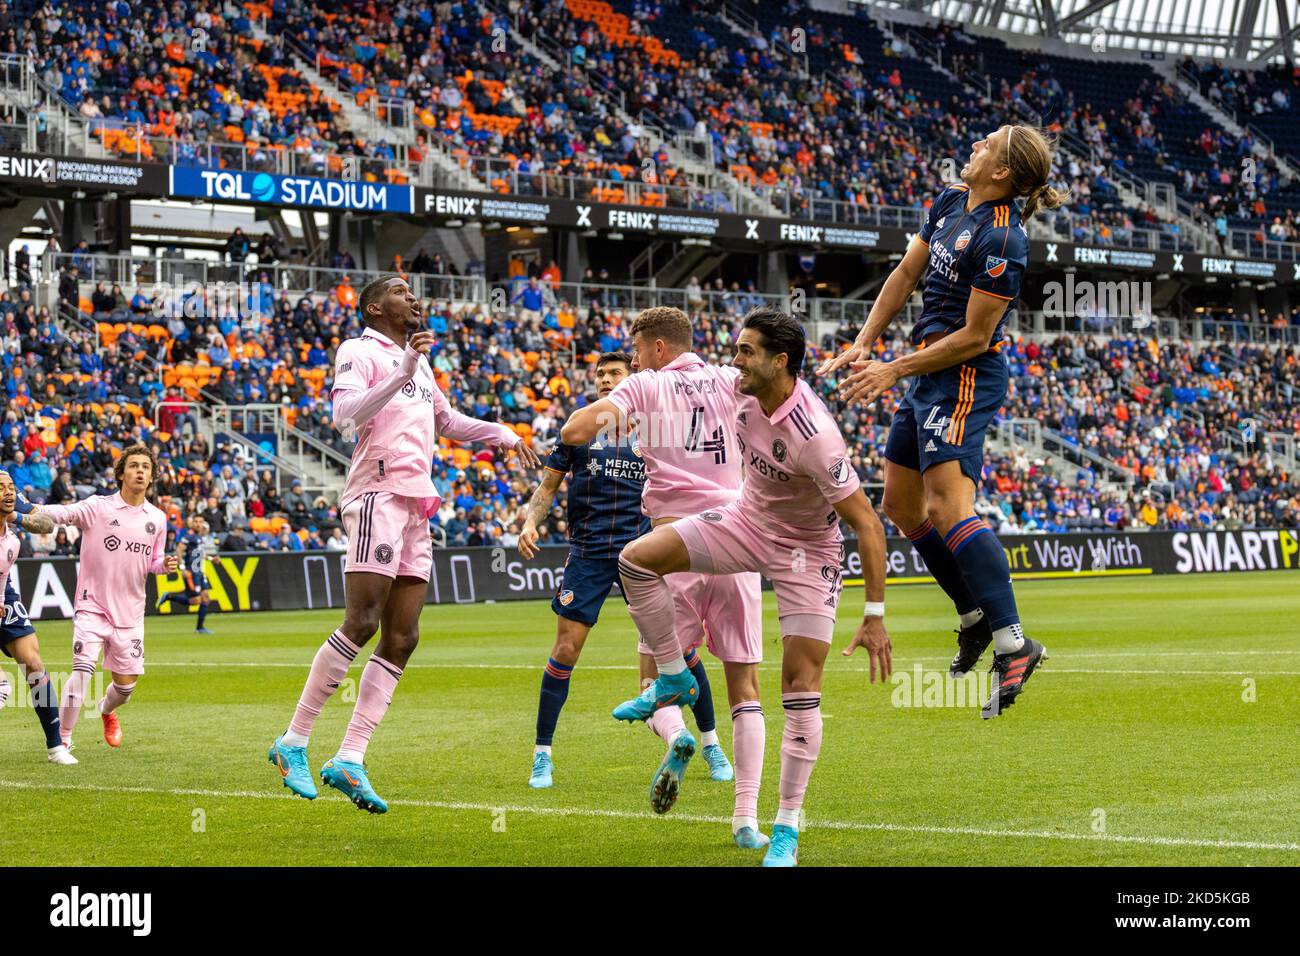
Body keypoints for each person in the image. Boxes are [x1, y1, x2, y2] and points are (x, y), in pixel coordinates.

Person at [599, 307, 891, 866]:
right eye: (735, 349)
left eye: (746, 351)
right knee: (636, 560)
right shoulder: (738, 390)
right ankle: (672, 677)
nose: (735, 360)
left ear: (780, 362)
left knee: (799, 687)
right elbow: (680, 401)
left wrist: (874, 615)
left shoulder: (816, 436)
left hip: (807, 553)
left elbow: (868, 525)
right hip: (745, 522)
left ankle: (785, 827)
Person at [267, 275, 540, 813]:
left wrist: (502, 433)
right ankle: (293, 740)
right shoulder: (359, 350)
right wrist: (404, 367)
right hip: (377, 493)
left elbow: (448, 421)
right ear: (374, 307)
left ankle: (350, 757)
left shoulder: (419, 363)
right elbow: (344, 417)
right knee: (362, 621)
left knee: (403, 637)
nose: (412, 296)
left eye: (412, 290)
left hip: (416, 504)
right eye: (398, 291)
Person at [819, 124, 1064, 718]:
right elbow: (907, 274)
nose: (975, 145)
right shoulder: (952, 200)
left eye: (988, 144)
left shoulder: (1004, 238)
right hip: (927, 371)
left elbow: (976, 336)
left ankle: (1013, 643)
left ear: (1002, 171)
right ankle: (974, 616)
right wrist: (866, 341)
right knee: (902, 506)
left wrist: (893, 369)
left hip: (964, 374)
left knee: (949, 507)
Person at [560, 307, 763, 826]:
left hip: (676, 546)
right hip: (737, 541)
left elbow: (574, 430)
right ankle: (746, 820)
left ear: (657, 348)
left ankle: (677, 735)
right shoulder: (729, 378)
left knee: (653, 676)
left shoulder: (646, 385)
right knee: (746, 691)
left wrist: (623, 415)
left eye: (635, 351)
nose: (631, 361)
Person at [517, 352, 730, 790]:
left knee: (681, 647)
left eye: (615, 373)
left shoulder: (654, 428)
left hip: (644, 555)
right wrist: (530, 522)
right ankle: (542, 755)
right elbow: (547, 486)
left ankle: (711, 743)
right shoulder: (579, 431)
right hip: (588, 553)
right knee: (566, 649)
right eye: (600, 374)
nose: (605, 379)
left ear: (632, 380)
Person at [28, 445, 179, 752]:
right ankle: (63, 741)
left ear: (152, 476)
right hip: (92, 606)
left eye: (146, 467)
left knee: (125, 688)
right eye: (133, 465)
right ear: (121, 473)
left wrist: (164, 565)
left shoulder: (157, 518)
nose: (140, 471)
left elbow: (153, 561)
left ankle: (106, 710)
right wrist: (28, 509)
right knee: (82, 671)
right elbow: (65, 513)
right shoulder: (98, 507)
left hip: (130, 613)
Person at [0, 473, 75, 764]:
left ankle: (56, 746)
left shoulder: (11, 505)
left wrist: (15, 515)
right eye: (2, 489)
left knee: (33, 663)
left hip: (3, 588)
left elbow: (46, 524)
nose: (8, 492)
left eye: (10, 488)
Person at [155, 517, 215, 633]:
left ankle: (200, 628)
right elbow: (178, 550)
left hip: (199, 572)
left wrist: (212, 559)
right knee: (196, 600)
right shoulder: (189, 536)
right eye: (196, 522)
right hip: (191, 572)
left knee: (206, 598)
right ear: (192, 523)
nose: (198, 524)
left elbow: (199, 553)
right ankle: (169, 596)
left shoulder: (199, 537)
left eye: (200, 522)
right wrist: (182, 568)